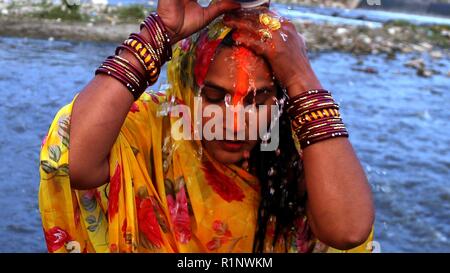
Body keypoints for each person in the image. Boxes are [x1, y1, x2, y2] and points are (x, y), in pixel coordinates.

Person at [39, 0, 374, 253]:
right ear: (187, 89)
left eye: (258, 102)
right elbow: (74, 158)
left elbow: (347, 231)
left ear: (283, 100)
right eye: (214, 97)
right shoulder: (155, 126)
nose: (233, 123)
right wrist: (160, 33)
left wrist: (301, 77)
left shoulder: (302, 148)